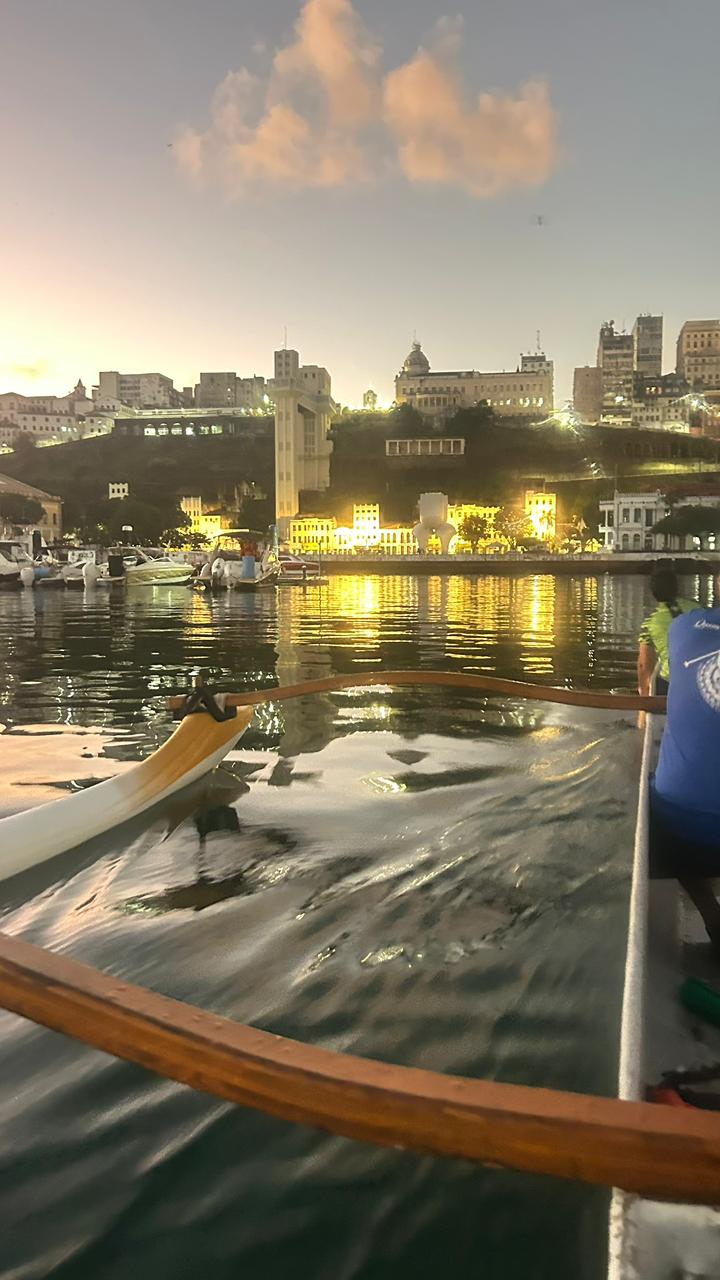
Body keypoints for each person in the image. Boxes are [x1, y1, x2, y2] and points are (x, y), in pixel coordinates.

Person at [651, 583, 720, 950]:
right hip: (694, 827)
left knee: (658, 789)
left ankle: (711, 914)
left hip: (685, 830)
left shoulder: (683, 627)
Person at [637, 565, 700, 695]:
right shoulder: (698, 610)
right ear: (677, 588)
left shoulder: (651, 624)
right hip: (702, 679)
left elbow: (644, 665)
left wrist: (644, 695)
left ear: (653, 593)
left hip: (672, 685)